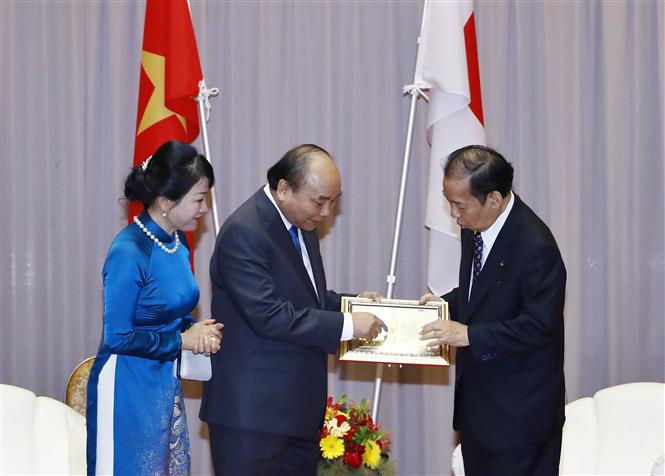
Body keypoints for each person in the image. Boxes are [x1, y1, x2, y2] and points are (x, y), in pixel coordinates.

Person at [200, 144, 387, 476]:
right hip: (253, 417)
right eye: (320, 201)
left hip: (297, 414)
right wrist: (347, 324)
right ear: (284, 188)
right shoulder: (245, 231)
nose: (327, 212)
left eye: (334, 201)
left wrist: (351, 303)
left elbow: (306, 300)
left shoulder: (301, 224)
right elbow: (270, 316)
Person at [419, 145, 566, 476]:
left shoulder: (535, 247)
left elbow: (539, 326)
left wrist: (468, 334)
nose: (454, 215)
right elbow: (484, 294)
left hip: (520, 420)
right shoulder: (478, 227)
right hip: (479, 413)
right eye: (449, 203)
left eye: (459, 205)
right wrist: (446, 303)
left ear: (494, 199)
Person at [87, 141, 224, 475]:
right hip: (126, 384)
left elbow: (166, 311)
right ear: (165, 201)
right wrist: (183, 341)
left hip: (161, 378)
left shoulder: (176, 241)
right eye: (198, 198)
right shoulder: (129, 251)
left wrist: (191, 328)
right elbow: (117, 337)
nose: (204, 207)